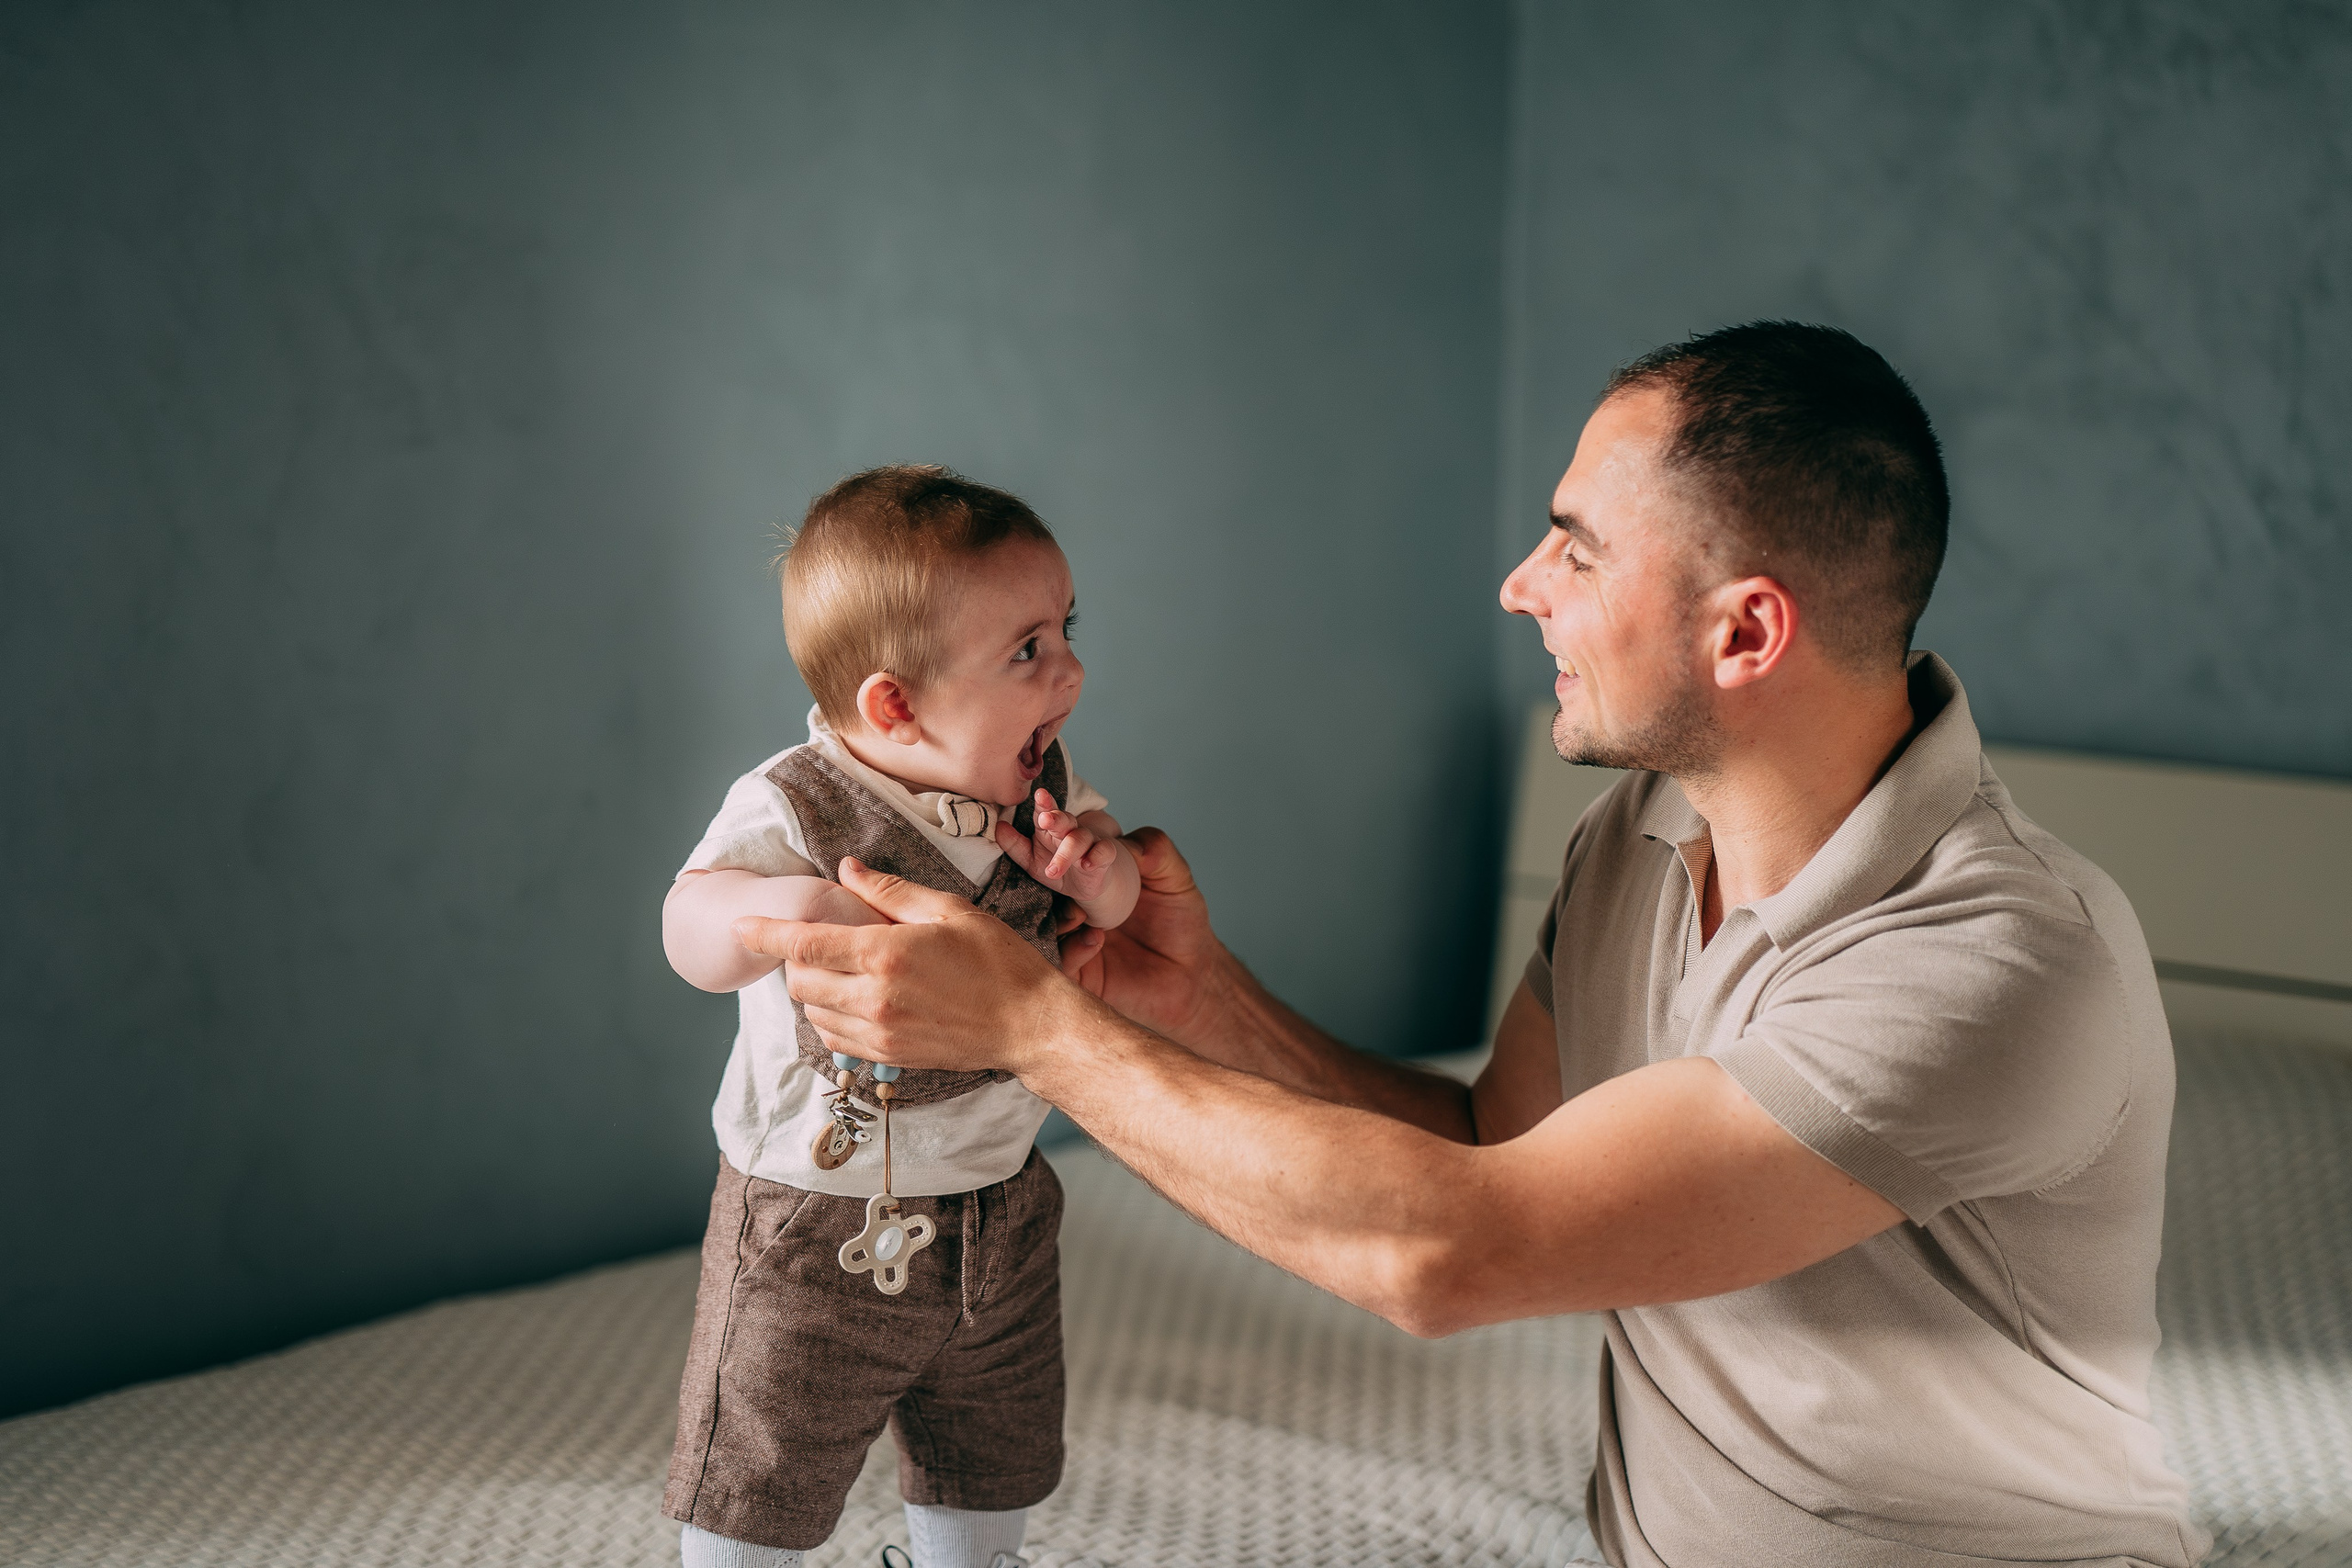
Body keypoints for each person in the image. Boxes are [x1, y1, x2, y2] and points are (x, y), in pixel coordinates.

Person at [742, 324, 2209, 1568]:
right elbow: (1492, 1139)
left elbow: (1455, 1250)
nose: (1520, 584)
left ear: (1747, 633)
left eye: (1574, 547)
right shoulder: (1635, 838)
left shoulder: (1998, 960)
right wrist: (1200, 998)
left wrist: (1038, 1029)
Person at [659, 466, 1139, 1568]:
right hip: (816, 1217)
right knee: (763, 1453)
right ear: (895, 705)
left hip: (1000, 1207)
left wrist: (1094, 875)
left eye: (1066, 627)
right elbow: (689, 931)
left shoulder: (1039, 782)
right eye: (1028, 650)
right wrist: (773, 907)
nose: (1069, 668)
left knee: (995, 1444)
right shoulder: (795, 803)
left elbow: (1111, 899)